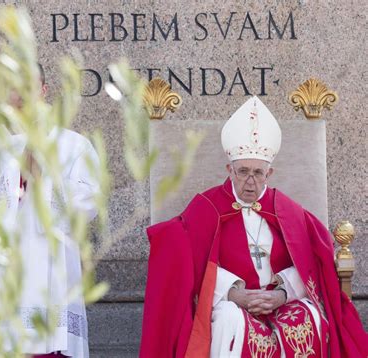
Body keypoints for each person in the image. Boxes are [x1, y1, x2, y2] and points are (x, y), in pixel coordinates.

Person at [139, 96, 367, 357]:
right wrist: (234, 292)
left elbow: (310, 264)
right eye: (242, 171)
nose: (250, 182)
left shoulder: (287, 211)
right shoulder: (206, 208)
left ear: (269, 174)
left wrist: (283, 293)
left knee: (311, 316)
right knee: (228, 320)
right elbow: (189, 262)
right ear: (229, 169)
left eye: (258, 173)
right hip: (231, 303)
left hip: (279, 300)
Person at [0, 64, 99, 357]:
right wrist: (16, 175)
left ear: (44, 91)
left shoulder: (73, 146)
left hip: (52, 274)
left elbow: (90, 203)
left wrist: (45, 180)